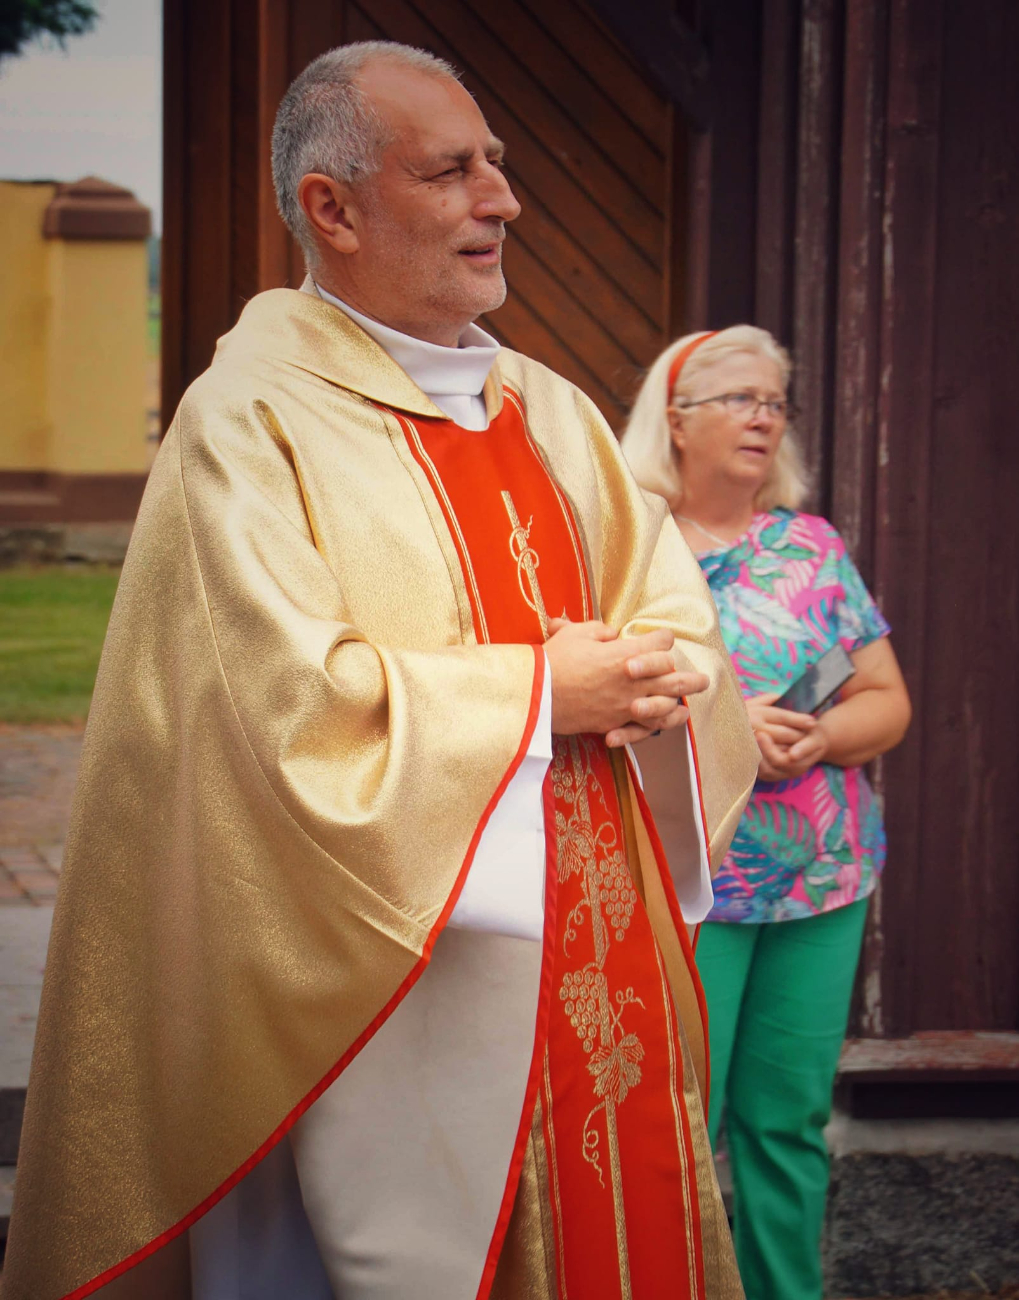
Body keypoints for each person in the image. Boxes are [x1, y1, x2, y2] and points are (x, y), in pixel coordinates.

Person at [2, 44, 760, 1300]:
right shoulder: (249, 421)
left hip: (598, 953)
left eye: (496, 164)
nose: (502, 199)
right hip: (389, 996)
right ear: (333, 210)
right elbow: (279, 715)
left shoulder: (549, 409)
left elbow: (670, 612)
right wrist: (540, 695)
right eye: (450, 171)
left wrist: (663, 674)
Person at [622, 326, 911, 1300]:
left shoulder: (809, 547)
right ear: (675, 420)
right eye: (738, 399)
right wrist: (724, 722)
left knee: (786, 1121)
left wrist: (818, 736)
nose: (762, 418)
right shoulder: (627, 550)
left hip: (821, 877)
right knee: (677, 1123)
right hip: (688, 878)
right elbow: (599, 705)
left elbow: (884, 700)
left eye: (773, 403)